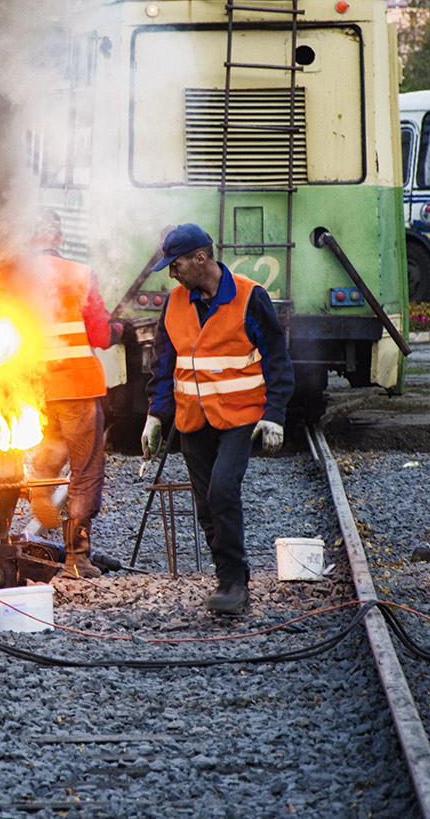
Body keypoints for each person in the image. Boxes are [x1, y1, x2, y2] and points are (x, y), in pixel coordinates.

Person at [143, 223, 294, 614]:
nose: (172, 274)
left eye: (176, 265)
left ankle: (233, 582)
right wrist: (156, 415)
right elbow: (164, 363)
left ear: (200, 258)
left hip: (239, 416)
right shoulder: (174, 303)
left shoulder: (249, 297)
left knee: (223, 491)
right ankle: (227, 575)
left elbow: (277, 358)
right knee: (206, 507)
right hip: (192, 419)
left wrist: (275, 414)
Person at [28, 210, 123, 580]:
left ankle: (40, 482)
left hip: (36, 388)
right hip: (78, 387)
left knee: (51, 446)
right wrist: (120, 330)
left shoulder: (15, 279)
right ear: (60, 237)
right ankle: (76, 560)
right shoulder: (80, 275)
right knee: (85, 471)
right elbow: (100, 335)